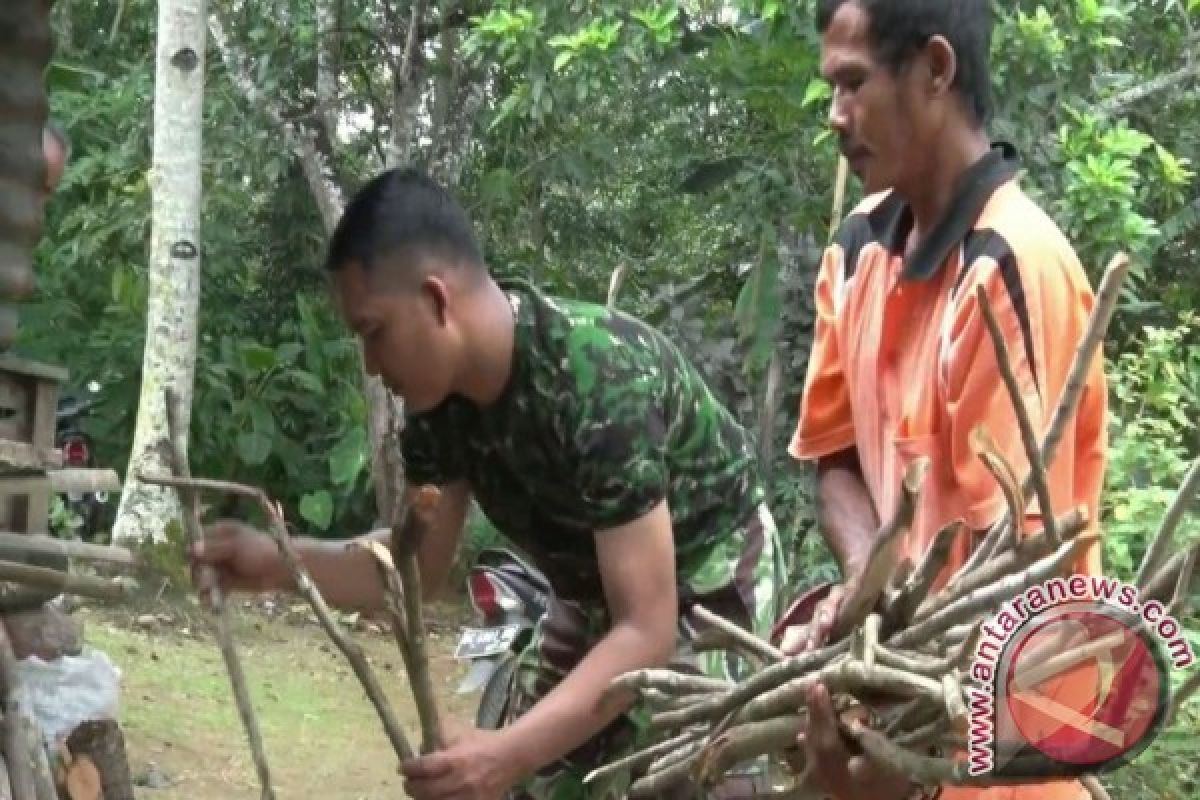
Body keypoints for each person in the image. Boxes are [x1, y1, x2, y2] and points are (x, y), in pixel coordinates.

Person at [192, 168, 787, 799]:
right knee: (534, 782)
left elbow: (646, 629)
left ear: (436, 299)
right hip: (592, 590)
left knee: (693, 774)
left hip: (711, 572)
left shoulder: (597, 378)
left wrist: (504, 755)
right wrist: (277, 561)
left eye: (373, 331)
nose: (369, 363)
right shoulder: (439, 409)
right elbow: (413, 571)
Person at [781, 1, 1107, 799]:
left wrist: (913, 761)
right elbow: (836, 461)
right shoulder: (857, 249)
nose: (835, 116)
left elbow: (1022, 585)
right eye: (831, 88)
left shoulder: (1013, 271)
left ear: (934, 68)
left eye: (853, 84)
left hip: (1006, 756)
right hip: (911, 722)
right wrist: (867, 587)